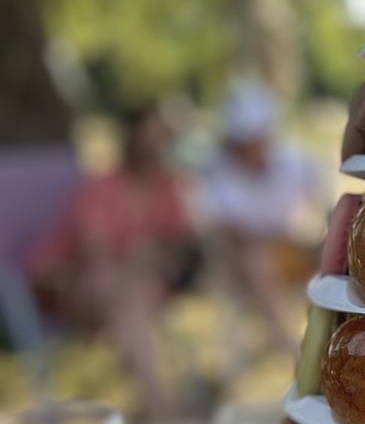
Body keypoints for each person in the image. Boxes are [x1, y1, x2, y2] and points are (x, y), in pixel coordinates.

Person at [29, 105, 190, 419]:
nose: (154, 147)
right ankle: (165, 410)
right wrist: (140, 254)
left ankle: (161, 407)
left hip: (129, 292)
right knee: (119, 286)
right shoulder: (103, 189)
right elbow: (93, 253)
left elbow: (177, 245)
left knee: (129, 296)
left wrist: (148, 254)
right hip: (68, 288)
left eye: (160, 139)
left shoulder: (168, 187)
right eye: (147, 139)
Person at [197, 81, 323, 364]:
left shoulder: (290, 162)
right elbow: (229, 234)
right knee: (256, 260)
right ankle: (291, 351)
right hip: (243, 263)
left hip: (286, 248)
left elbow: (320, 203)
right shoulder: (217, 174)